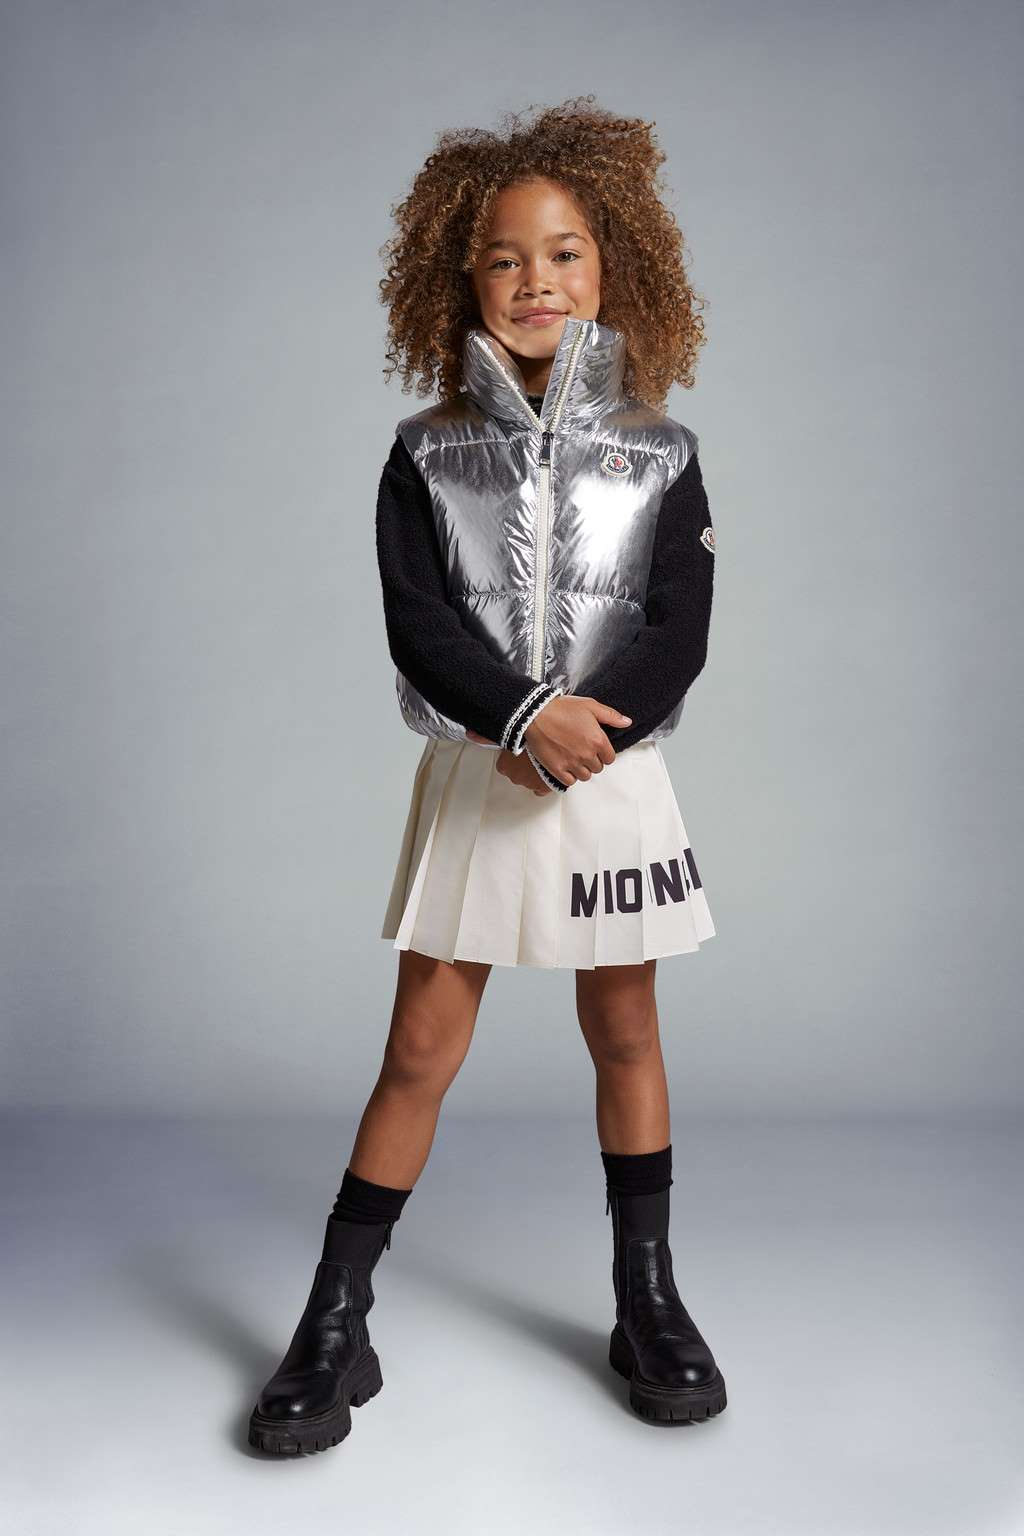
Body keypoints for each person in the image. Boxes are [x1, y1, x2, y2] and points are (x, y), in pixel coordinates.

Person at [248, 95, 726, 1456]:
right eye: (506, 259)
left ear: (614, 268)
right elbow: (417, 621)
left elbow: (680, 629)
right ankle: (335, 1322)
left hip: (612, 778)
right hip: (478, 771)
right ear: (462, 277)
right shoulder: (423, 453)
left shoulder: (666, 453)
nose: (536, 281)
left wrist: (588, 734)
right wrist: (522, 717)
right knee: (418, 1049)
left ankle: (648, 1302)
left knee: (625, 1033)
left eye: (565, 254)